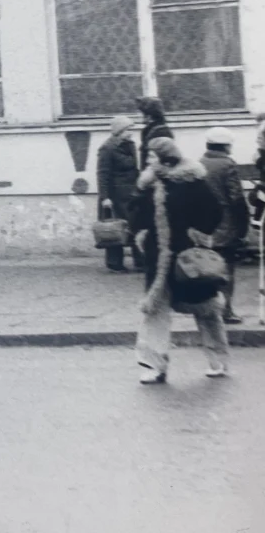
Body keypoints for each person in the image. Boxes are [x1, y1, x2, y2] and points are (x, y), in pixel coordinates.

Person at [130, 137, 226, 384]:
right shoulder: (148, 183)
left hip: (189, 258)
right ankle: (154, 365)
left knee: (205, 308)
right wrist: (140, 232)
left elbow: (215, 211)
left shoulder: (192, 181)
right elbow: (136, 211)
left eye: (151, 155)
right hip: (157, 258)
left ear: (165, 157)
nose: (148, 159)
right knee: (155, 310)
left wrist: (199, 233)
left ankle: (218, 359)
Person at [199, 127, 250, 324]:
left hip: (205, 226)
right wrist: (243, 225)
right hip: (226, 225)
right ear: (226, 146)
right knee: (227, 268)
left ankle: (208, 309)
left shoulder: (200, 163)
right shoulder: (227, 165)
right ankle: (226, 311)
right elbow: (236, 198)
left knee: (207, 268)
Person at [96, 115, 141, 273]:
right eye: (128, 129)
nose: (131, 132)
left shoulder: (130, 145)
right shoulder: (107, 148)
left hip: (131, 193)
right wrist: (105, 197)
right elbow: (103, 174)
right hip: (115, 196)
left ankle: (140, 261)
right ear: (120, 130)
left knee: (135, 226)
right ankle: (114, 263)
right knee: (115, 228)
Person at [135, 96, 173, 170]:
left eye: (143, 114)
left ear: (149, 116)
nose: (142, 118)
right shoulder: (150, 130)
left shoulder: (160, 131)